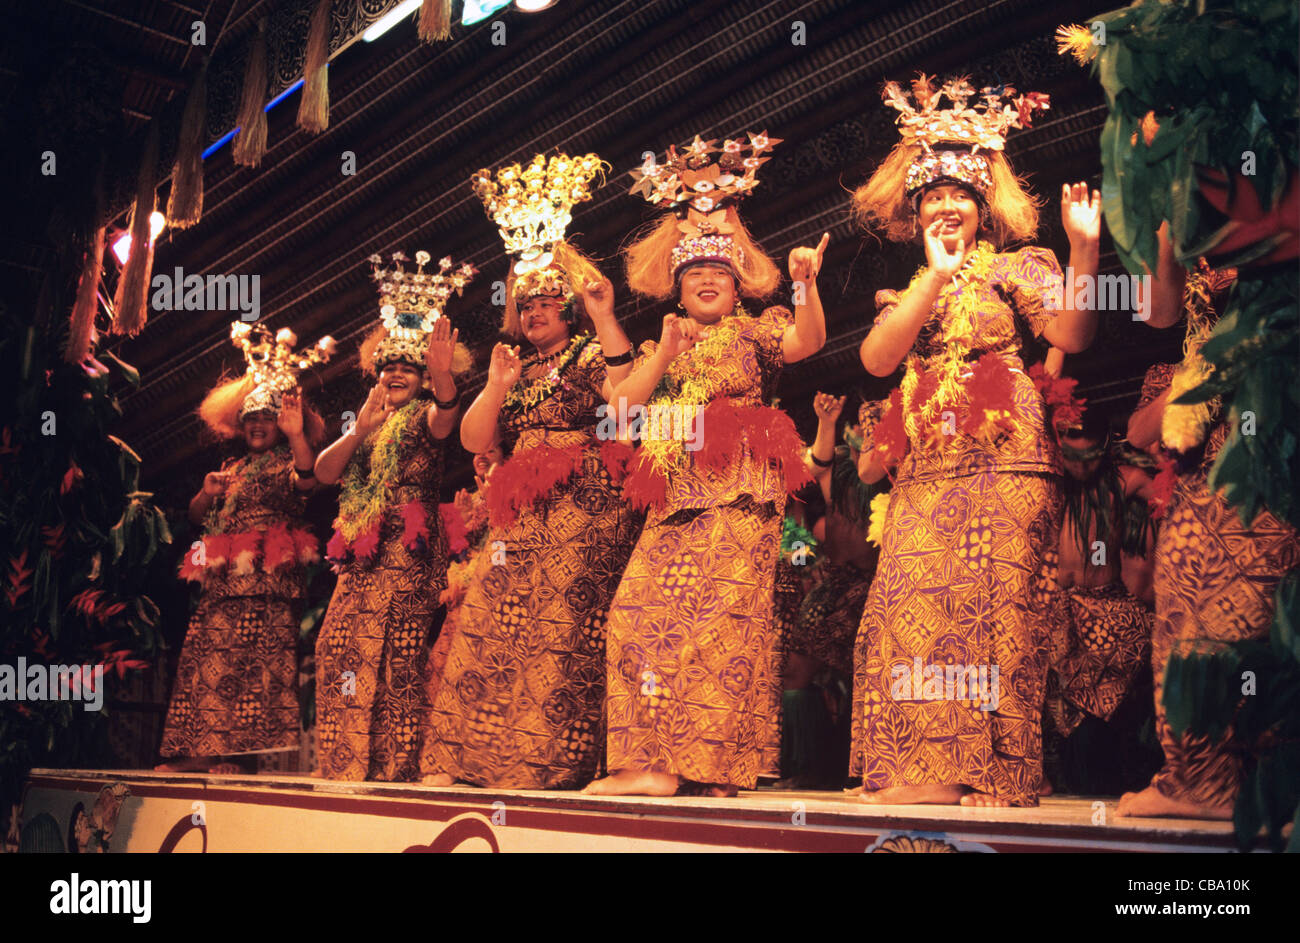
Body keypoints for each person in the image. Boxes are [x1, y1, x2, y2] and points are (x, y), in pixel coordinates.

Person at [850, 76, 1101, 807]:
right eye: (933, 196)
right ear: (918, 210)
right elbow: (876, 360)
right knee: (907, 605)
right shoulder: (908, 292)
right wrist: (935, 275)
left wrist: (1084, 255)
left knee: (997, 610)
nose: (947, 205)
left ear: (983, 207)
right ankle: (922, 761)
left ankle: (998, 771)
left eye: (960, 194)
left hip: (1008, 457)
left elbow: (1073, 334)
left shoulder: (1022, 266)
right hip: (928, 465)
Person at [584, 130, 828, 797]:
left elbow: (807, 341)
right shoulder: (660, 340)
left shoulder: (759, 328)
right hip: (672, 502)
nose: (708, 282)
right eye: (696, 275)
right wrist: (661, 355)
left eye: (719, 274)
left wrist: (805, 285)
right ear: (680, 285)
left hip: (739, 498)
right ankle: (646, 761)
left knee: (721, 630)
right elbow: (620, 410)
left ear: (737, 282)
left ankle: (707, 765)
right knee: (635, 619)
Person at [420, 152, 642, 789]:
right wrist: (492, 386)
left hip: (586, 505)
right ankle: (469, 758)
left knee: (560, 628)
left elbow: (626, 403)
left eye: (548, 302)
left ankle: (541, 761)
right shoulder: (512, 368)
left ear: (567, 308)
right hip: (519, 514)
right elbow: (473, 439)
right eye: (526, 304)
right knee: (491, 623)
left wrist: (604, 318)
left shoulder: (591, 351)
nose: (536, 312)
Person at [1120, 249, 1300, 819]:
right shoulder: (1194, 225)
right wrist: (1199, 374)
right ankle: (1201, 779)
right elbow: (1158, 315)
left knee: (1258, 627)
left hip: (1272, 460)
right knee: (1184, 629)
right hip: (1202, 481)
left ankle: (1252, 782)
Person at [313, 252, 473, 782]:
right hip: (363, 550)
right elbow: (324, 472)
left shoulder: (426, 414)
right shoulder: (368, 423)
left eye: (409, 367)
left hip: (409, 550)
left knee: (398, 653)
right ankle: (344, 764)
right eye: (389, 366)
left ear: (424, 377)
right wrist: (359, 429)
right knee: (337, 643)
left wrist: (446, 378)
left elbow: (449, 417)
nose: (396, 373)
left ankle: (395, 766)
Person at [160, 322, 331, 773]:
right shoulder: (230, 468)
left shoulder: (285, 464)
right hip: (221, 589)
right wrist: (205, 492)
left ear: (280, 425)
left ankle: (239, 758)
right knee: (207, 665)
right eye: (251, 418)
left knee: (255, 671)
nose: (258, 425)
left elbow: (309, 481)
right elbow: (199, 519)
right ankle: (199, 752)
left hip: (267, 589)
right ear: (241, 424)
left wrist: (296, 435)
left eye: (267, 419)